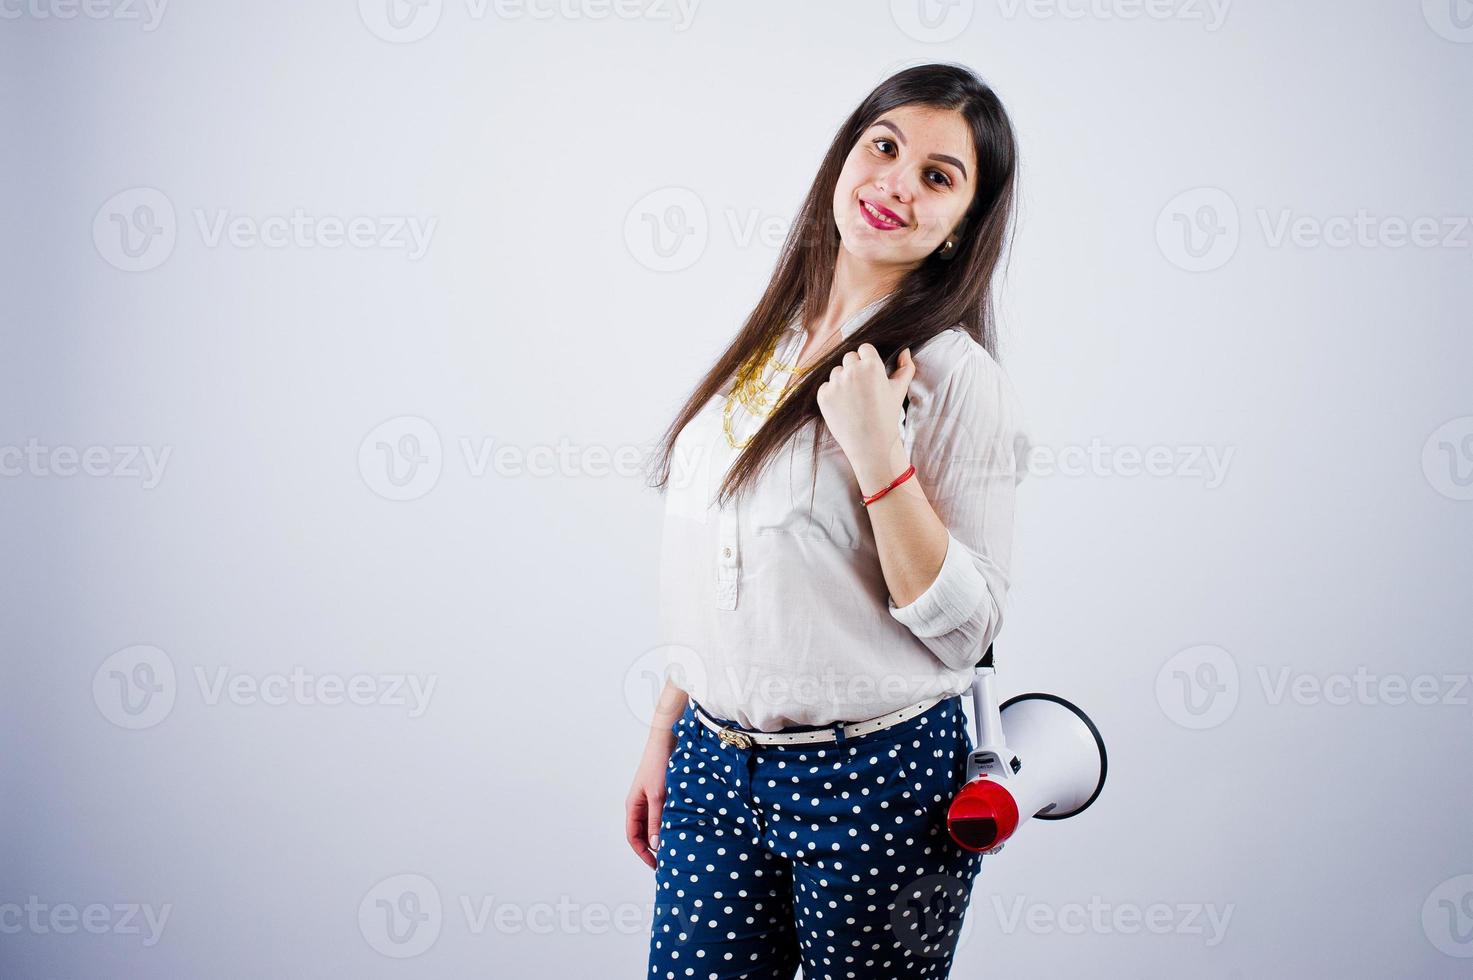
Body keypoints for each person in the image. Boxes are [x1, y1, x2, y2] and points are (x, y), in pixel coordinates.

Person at [628, 62, 1031, 979]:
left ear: (963, 224)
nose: (896, 181)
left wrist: (876, 452)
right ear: (843, 159)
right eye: (882, 147)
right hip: (711, 765)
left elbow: (968, 629)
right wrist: (668, 724)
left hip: (875, 782)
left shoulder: (957, 379)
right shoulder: (770, 341)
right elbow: (721, 559)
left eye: (938, 175)